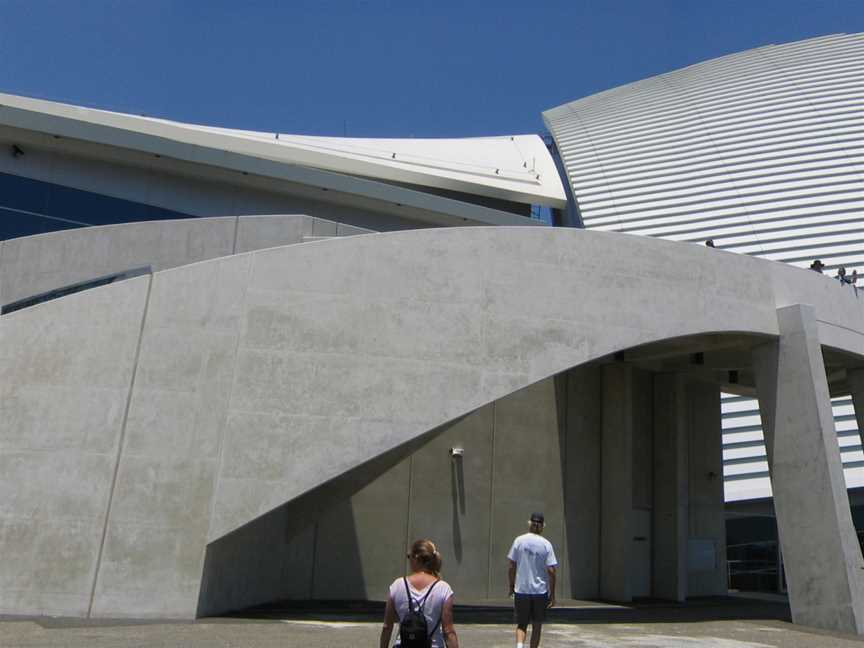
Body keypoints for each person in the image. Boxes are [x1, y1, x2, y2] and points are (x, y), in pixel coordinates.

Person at [380, 539, 459, 648]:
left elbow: (387, 627)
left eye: (409, 556)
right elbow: (448, 631)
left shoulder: (397, 585)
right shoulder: (443, 588)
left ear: (416, 558)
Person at [507, 513, 558, 648]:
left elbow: (511, 566)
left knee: (522, 624)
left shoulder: (519, 541)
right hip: (540, 592)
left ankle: (519, 646)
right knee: (537, 625)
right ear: (542, 527)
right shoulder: (546, 544)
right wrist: (552, 595)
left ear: (530, 524)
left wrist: (511, 586)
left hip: (521, 590)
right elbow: (552, 571)